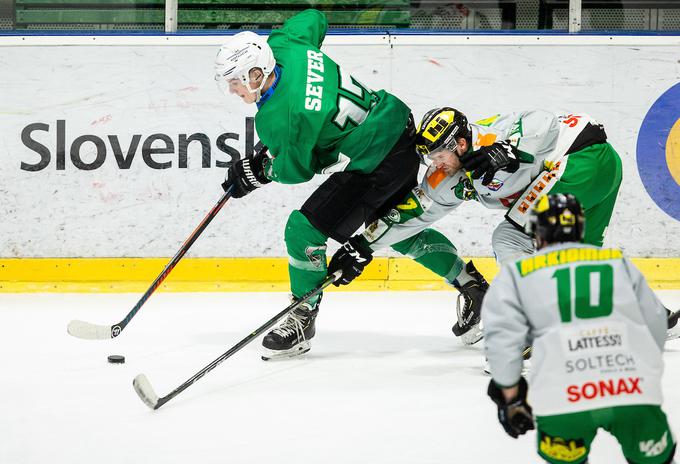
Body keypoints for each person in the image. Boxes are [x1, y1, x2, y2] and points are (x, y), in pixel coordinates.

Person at [214, 9, 420, 359]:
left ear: (256, 72)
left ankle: (303, 317)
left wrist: (261, 171)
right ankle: (471, 285)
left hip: (376, 158)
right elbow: (315, 18)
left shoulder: (280, 119)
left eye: (235, 81)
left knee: (302, 230)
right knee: (391, 223)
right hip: (395, 120)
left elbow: (297, 169)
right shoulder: (286, 44)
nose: (233, 89)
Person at [329, 107, 623, 344]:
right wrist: (361, 246)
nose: (437, 165)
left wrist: (508, 150)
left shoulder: (493, 133)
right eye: (431, 158)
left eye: (440, 156)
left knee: (510, 239)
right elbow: (413, 214)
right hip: (604, 172)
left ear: (460, 143)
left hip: (581, 160)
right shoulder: (444, 178)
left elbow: (545, 122)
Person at [483, 193, 677, 464]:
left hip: (562, 396)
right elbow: (656, 324)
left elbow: (502, 342)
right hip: (631, 391)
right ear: (580, 228)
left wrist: (511, 398)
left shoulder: (518, 272)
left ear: (536, 232)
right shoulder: (615, 261)